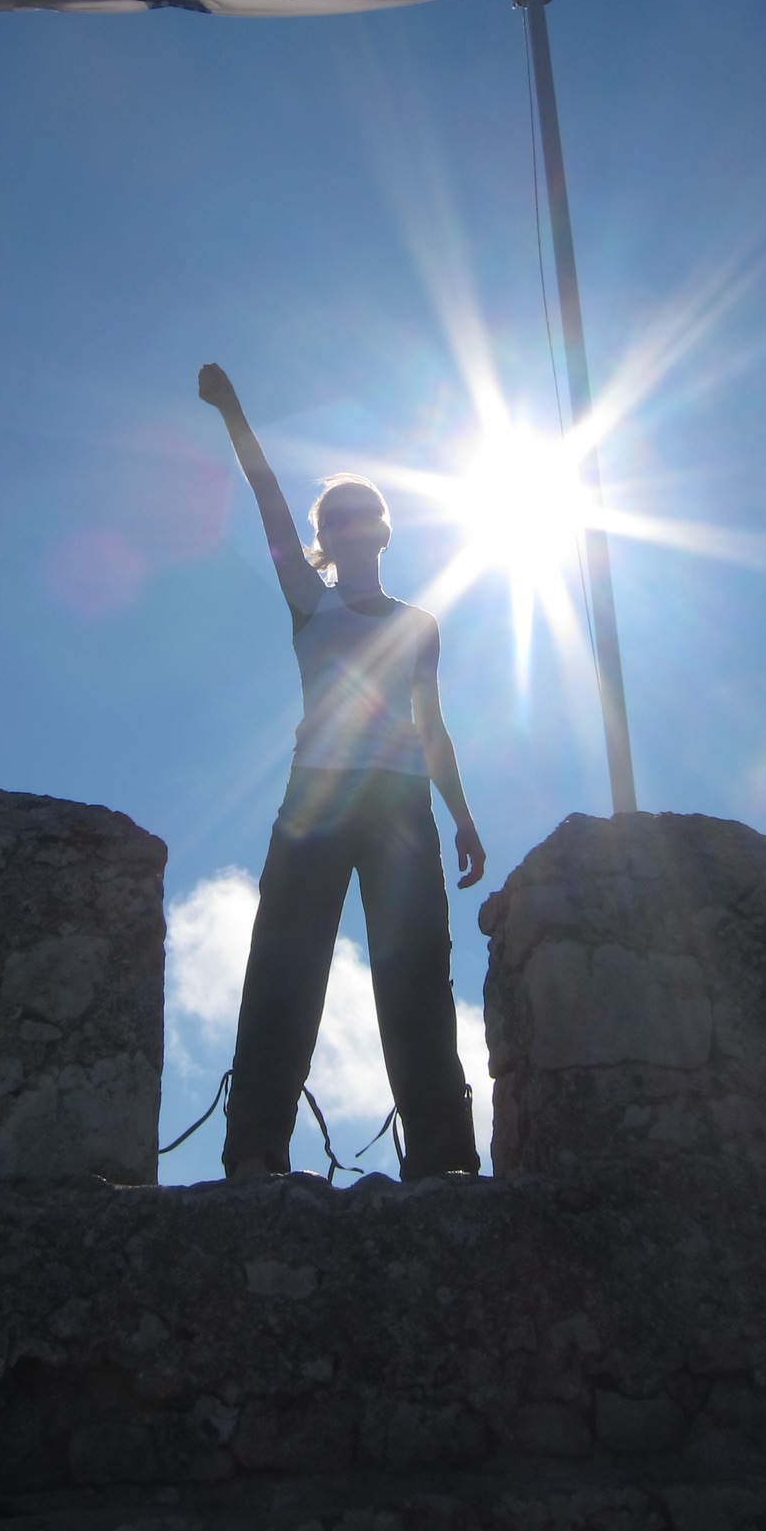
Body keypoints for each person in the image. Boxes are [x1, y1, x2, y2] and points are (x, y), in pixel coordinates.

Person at [198, 362, 486, 1182]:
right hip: (316, 799)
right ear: (327, 536)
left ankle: (444, 1160)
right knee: (283, 971)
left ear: (384, 531)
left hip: (400, 806)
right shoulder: (309, 601)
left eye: (362, 513)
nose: (350, 524)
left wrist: (463, 817)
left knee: (417, 976)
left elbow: (431, 727)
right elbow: (266, 496)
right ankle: (255, 1153)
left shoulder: (420, 625)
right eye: (335, 517)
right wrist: (232, 409)